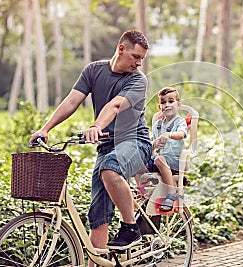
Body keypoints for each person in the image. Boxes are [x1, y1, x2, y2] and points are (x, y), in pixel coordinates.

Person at [29, 30, 152, 264]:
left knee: (110, 168)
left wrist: (96, 125)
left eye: (142, 59)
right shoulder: (93, 70)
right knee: (98, 216)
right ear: (121, 48)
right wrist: (46, 129)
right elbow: (72, 101)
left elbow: (115, 105)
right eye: (135, 56)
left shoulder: (138, 80)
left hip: (136, 143)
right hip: (107, 148)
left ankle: (130, 228)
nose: (138, 63)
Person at [148, 87, 188, 212]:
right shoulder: (157, 125)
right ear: (159, 107)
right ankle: (143, 191)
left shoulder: (180, 122)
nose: (167, 105)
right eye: (163, 102)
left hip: (175, 160)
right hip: (158, 160)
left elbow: (181, 135)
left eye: (171, 101)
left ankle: (171, 195)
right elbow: (151, 143)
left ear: (178, 104)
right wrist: (154, 143)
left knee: (159, 159)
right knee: (137, 162)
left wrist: (169, 135)